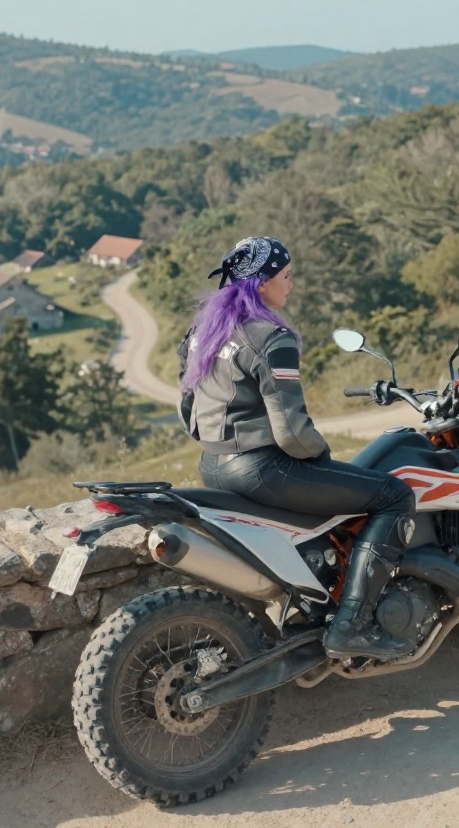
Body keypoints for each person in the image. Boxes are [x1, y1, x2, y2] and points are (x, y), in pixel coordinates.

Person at [178, 235, 416, 660]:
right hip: (261, 469)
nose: (291, 284)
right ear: (264, 282)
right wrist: (321, 457)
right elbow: (292, 433)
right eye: (287, 276)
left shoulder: (205, 330)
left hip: (213, 465)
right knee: (394, 494)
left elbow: (187, 406)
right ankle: (353, 625)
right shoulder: (270, 337)